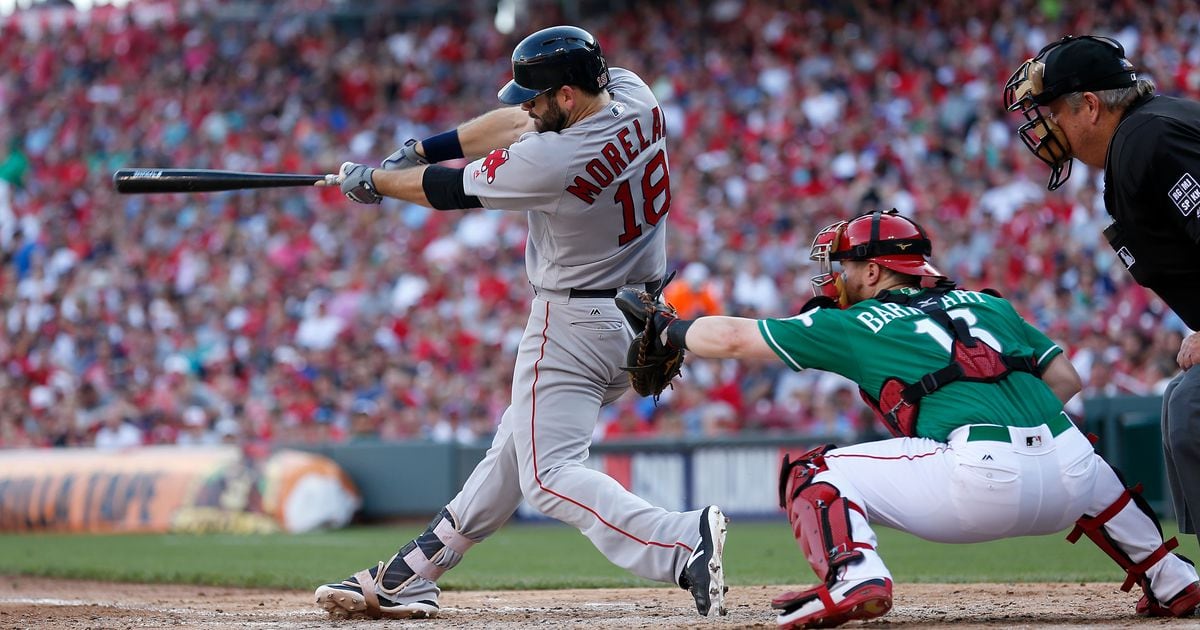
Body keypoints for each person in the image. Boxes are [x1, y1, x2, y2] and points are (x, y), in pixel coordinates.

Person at [313, 25, 727, 620]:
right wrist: (422, 147)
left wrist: (375, 182)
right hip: (639, 315)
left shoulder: (553, 159)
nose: (526, 105)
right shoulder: (637, 96)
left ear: (566, 96)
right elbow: (515, 124)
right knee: (516, 451)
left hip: (573, 324)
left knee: (548, 475)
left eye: (537, 95)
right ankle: (411, 575)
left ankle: (679, 542)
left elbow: (448, 190)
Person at [624, 209, 1200, 628]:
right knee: (1077, 446)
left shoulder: (856, 322)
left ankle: (855, 575)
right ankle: (1171, 576)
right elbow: (1066, 382)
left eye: (843, 265)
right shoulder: (989, 302)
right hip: (1072, 477)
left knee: (812, 470)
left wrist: (668, 329)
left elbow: (731, 337)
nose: (834, 277)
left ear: (874, 272)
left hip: (979, 476)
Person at [1004, 36, 1200, 548]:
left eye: (1049, 111)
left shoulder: (1148, 139)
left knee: (1193, 411)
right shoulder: (1145, 134)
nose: (1043, 126)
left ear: (1089, 105)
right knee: (1182, 399)